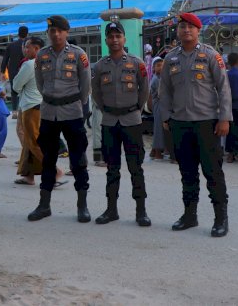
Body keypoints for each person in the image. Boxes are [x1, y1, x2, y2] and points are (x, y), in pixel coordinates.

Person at [159, 12, 232, 237]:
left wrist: (224, 118)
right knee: (187, 173)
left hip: (207, 124)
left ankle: (221, 219)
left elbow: (223, 88)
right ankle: (189, 215)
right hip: (180, 124)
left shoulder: (210, 55)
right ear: (178, 31)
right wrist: (166, 117)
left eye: (190, 26)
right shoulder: (170, 58)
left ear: (198, 30)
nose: (186, 30)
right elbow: (165, 92)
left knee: (213, 172)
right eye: (182, 27)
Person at [27, 15, 92, 223]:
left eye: (59, 31)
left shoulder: (78, 55)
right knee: (48, 160)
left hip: (72, 112)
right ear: (48, 33)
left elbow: (86, 85)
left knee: (78, 160)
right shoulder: (42, 56)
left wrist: (75, 104)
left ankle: (82, 206)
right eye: (52, 31)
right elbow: (39, 84)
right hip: (48, 113)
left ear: (67, 32)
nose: (55, 34)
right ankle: (44, 205)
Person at [91, 22, 151, 226]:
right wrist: (107, 108)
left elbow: (144, 90)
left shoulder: (137, 63)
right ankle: (111, 210)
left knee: (136, 167)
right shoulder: (100, 66)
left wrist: (135, 109)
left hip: (131, 121)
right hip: (109, 121)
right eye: (111, 36)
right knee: (112, 168)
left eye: (118, 36)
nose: (115, 40)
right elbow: (96, 93)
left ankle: (141, 211)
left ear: (124, 39)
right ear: (106, 40)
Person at [13, 36, 65, 186]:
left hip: (31, 107)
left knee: (34, 142)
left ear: (36, 49)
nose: (25, 49)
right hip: (43, 105)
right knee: (30, 142)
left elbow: (16, 85)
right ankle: (28, 175)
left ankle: (54, 170)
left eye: (27, 47)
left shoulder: (30, 64)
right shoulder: (49, 62)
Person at [1, 26, 28, 118]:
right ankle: (24, 110)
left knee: (14, 91)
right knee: (26, 89)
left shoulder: (11, 45)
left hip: (13, 71)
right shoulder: (29, 45)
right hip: (26, 71)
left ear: (18, 33)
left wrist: (2, 72)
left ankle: (15, 112)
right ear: (27, 34)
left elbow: (5, 59)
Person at [148, 56, 167, 160]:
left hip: (161, 105)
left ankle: (154, 150)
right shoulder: (156, 79)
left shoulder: (160, 78)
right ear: (153, 68)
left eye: (162, 65)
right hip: (159, 106)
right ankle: (157, 152)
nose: (161, 67)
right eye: (158, 66)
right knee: (159, 129)